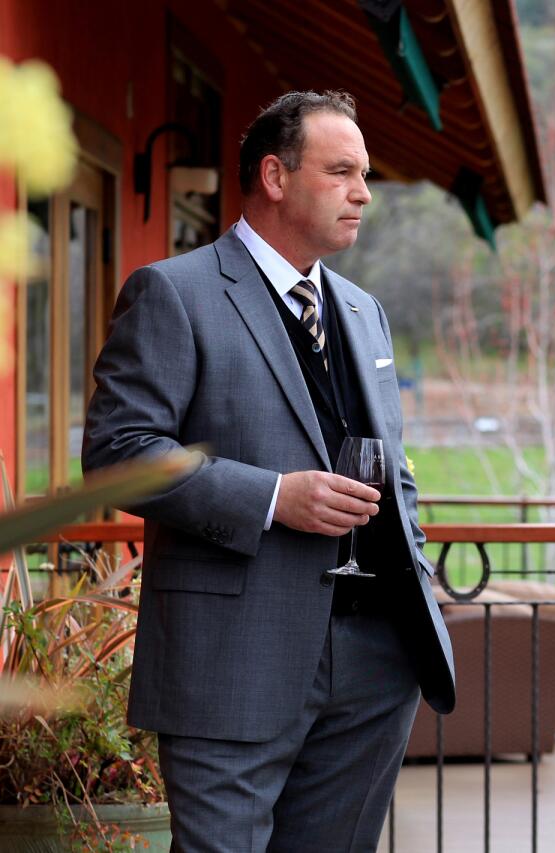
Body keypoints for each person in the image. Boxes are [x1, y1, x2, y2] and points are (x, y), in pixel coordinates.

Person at [83, 90, 454, 852]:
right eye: (342, 171)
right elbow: (116, 452)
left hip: (377, 662)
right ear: (276, 177)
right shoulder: (174, 293)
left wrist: (413, 567)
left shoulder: (362, 310)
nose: (362, 194)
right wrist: (273, 497)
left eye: (366, 175)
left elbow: (394, 465)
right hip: (231, 659)